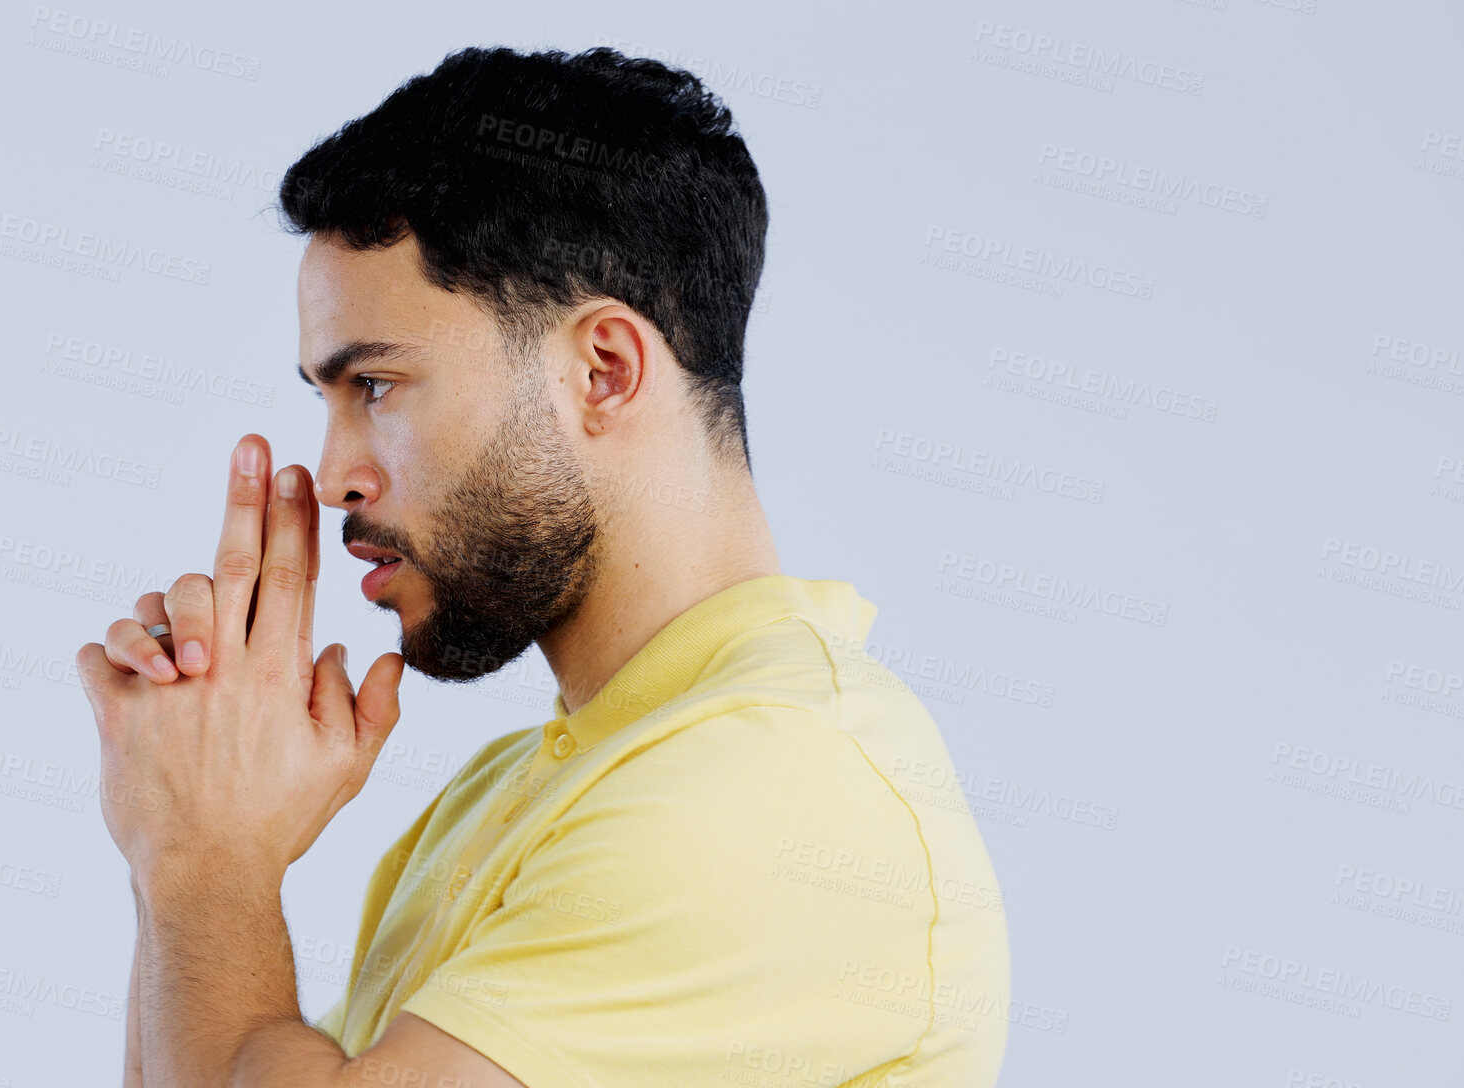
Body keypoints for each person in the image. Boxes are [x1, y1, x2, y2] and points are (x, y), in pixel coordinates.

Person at [77, 44, 1010, 1088]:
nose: (334, 474)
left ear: (602, 371)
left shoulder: (778, 786)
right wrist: (181, 828)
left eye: (375, 385)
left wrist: (207, 859)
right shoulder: (508, 792)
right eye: (323, 399)